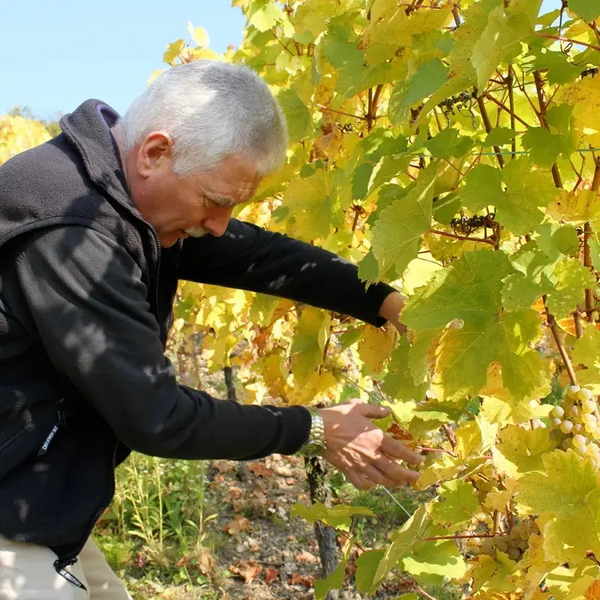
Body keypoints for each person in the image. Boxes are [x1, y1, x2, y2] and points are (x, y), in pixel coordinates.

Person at [0, 60, 422, 599]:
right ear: (155, 152)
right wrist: (313, 429)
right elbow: (157, 418)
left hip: (37, 490)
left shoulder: (117, 186)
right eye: (216, 202)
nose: (219, 226)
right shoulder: (71, 231)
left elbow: (261, 256)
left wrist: (385, 302)